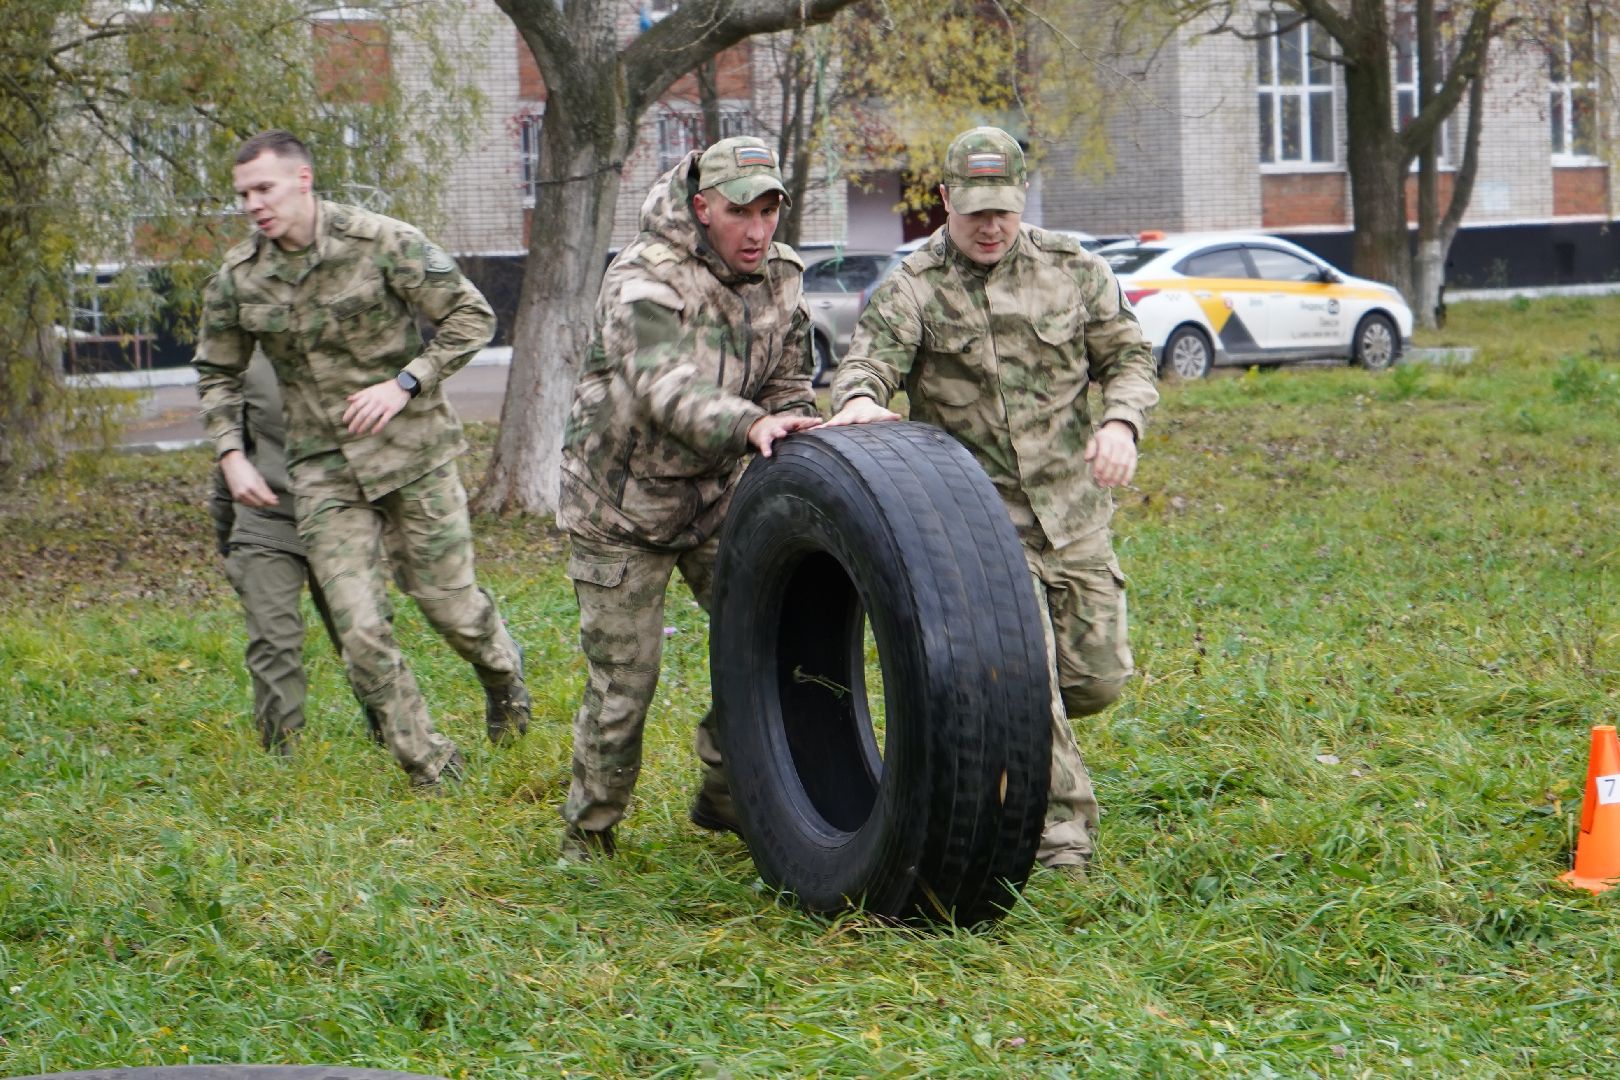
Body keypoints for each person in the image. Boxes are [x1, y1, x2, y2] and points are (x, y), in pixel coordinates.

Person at [826, 126, 1160, 872]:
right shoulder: (914, 285)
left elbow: (1130, 357)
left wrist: (1121, 423)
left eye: (1003, 210)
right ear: (945, 200)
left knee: (1096, 679)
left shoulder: (1073, 271)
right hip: (981, 530)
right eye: (974, 210)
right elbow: (868, 364)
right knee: (1030, 679)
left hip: (1073, 515)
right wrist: (856, 401)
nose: (990, 226)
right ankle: (1064, 840)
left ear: (1021, 200)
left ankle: (994, 734)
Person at [194, 130, 529, 792]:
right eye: (243, 195)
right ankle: (430, 765)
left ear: (303, 180)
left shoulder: (381, 241)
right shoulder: (238, 280)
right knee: (359, 628)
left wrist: (405, 382)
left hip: (414, 455)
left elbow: (471, 316)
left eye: (264, 189)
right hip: (323, 469)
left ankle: (504, 680)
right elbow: (216, 372)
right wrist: (231, 454)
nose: (253, 205)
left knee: (451, 609)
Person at [556, 135, 822, 857]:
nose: (758, 229)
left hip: (716, 499)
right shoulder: (643, 277)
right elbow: (663, 387)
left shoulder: (782, 278)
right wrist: (753, 422)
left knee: (768, 644)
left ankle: (724, 792)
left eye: (770, 209)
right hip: (621, 508)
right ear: (703, 208)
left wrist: (796, 420)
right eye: (742, 211)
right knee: (624, 689)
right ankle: (588, 838)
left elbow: (789, 382)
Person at [211, 349, 385, 754]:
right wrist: (226, 534)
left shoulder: (352, 346)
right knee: (274, 639)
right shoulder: (247, 364)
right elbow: (227, 453)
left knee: (362, 635)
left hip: (339, 518)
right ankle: (281, 755)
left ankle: (395, 734)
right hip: (266, 520)